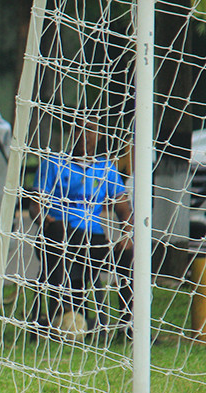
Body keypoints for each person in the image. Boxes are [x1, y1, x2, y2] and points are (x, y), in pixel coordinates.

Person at [29, 114, 134, 333]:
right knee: (58, 230)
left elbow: (124, 208)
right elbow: (35, 205)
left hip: (93, 240)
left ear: (99, 134)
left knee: (129, 253)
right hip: (59, 235)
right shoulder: (54, 164)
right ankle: (61, 310)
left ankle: (129, 325)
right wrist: (43, 219)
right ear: (71, 132)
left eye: (90, 129)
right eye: (79, 129)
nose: (84, 135)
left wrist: (127, 234)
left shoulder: (105, 169)